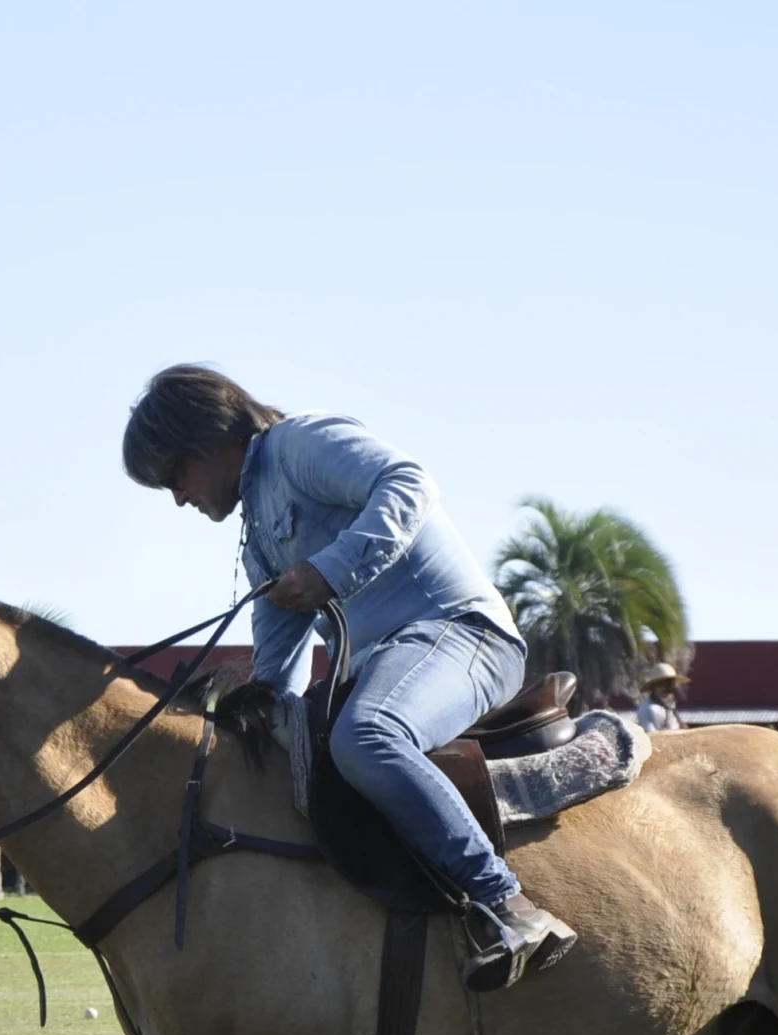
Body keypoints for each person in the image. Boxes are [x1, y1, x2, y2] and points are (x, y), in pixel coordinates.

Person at [123, 364, 574, 990]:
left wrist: (332, 568)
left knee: (367, 735)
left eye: (175, 474)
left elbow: (409, 481)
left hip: (463, 636)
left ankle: (508, 906)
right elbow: (278, 662)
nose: (177, 496)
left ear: (211, 438)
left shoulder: (299, 443)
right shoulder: (256, 532)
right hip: (388, 664)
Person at [635, 663, 687, 733]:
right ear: (654, 686)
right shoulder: (648, 710)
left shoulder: (670, 706)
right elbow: (653, 737)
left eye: (671, 683)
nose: (669, 687)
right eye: (664, 683)